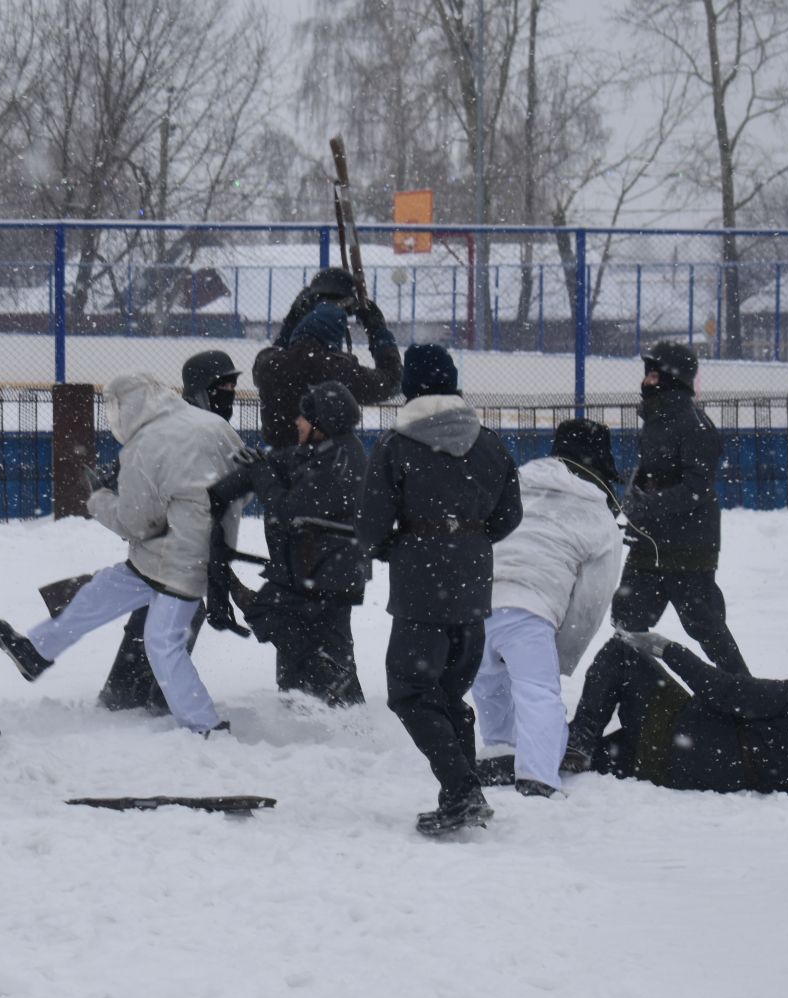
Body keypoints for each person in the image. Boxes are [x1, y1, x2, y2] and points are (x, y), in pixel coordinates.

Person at [0, 373, 248, 734]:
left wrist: (99, 498)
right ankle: (36, 652)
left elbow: (136, 523)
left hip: (180, 560)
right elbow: (244, 483)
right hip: (193, 549)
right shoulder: (212, 424)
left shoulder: (144, 445)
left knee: (162, 642)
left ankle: (203, 725)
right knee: (101, 591)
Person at [355, 344, 522, 834]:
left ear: (410, 388)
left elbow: (371, 527)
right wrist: (468, 540)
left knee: (409, 690)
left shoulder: (396, 445)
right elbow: (509, 516)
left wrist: (400, 548)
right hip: (472, 587)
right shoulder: (490, 443)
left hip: (420, 587)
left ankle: (463, 790)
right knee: (448, 694)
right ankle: (462, 794)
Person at [472, 418, 624, 797]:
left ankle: (501, 751)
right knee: (538, 691)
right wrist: (561, 654)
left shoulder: (513, 484)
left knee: (489, 683)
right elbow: (591, 601)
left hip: (477, 599)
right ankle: (538, 776)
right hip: (531, 607)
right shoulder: (597, 515)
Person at [565, 633, 788, 796]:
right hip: (681, 769)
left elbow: (720, 690)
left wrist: (669, 649)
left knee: (621, 652)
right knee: (599, 756)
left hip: (679, 735)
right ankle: (545, 760)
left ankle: (577, 745)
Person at [96, 350, 241, 715]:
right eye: (222, 386)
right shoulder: (182, 427)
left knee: (159, 617)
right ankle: (143, 698)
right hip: (172, 549)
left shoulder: (206, 426)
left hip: (184, 549)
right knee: (172, 618)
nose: (230, 393)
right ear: (202, 388)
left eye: (232, 385)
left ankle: (130, 695)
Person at [211, 379, 371, 705]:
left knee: (272, 616)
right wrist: (213, 495)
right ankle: (328, 710)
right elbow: (280, 464)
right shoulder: (327, 449)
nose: (297, 423)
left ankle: (341, 700)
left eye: (304, 418)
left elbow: (287, 508)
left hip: (326, 572)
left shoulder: (341, 459)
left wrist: (260, 473)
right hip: (317, 569)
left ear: (322, 423)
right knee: (323, 643)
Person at [612, 340, 748, 674]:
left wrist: (649, 503)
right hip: (651, 541)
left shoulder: (694, 425)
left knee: (704, 624)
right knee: (627, 617)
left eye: (654, 375)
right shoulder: (656, 421)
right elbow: (652, 474)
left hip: (688, 545)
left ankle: (742, 690)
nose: (646, 382)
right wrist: (630, 498)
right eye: (647, 375)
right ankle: (635, 689)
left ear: (674, 379)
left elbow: (696, 488)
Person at [251, 268, 401, 448]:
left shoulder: (270, 364)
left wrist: (292, 320)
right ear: (335, 335)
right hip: (323, 462)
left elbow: (278, 349)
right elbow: (392, 381)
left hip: (278, 460)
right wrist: (378, 330)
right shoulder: (339, 371)